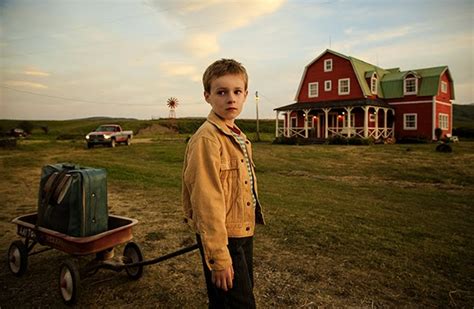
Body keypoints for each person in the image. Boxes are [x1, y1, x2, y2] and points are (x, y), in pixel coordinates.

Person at [182, 59, 265, 308]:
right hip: (223, 236)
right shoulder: (207, 140)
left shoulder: (236, 134)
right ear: (207, 96)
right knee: (238, 302)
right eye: (221, 92)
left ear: (245, 95)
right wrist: (219, 257)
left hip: (241, 231)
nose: (231, 98)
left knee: (228, 299)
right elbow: (206, 202)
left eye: (237, 92)